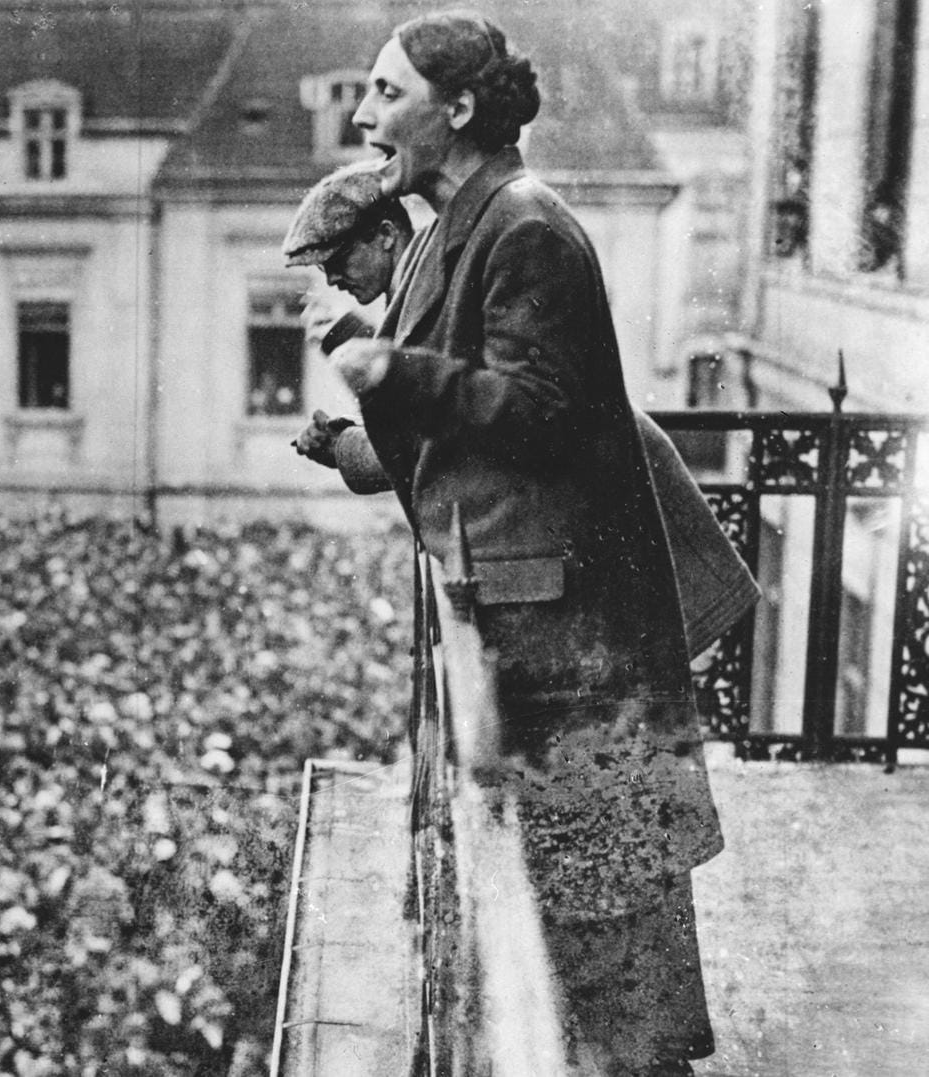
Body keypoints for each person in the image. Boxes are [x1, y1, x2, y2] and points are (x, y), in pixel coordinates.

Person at [311, 12, 731, 1074]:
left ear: (455, 111)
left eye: (386, 93)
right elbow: (473, 427)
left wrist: (388, 372)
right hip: (523, 616)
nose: (365, 116)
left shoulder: (526, 225)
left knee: (605, 915)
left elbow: (541, 410)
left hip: (571, 637)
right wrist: (369, 445)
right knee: (576, 908)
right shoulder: (462, 225)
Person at [281, 161, 759, 660]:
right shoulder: (427, 265)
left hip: (596, 537)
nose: (332, 279)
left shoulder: (454, 263)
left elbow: (430, 435)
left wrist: (340, 444)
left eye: (337, 260)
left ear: (383, 235)